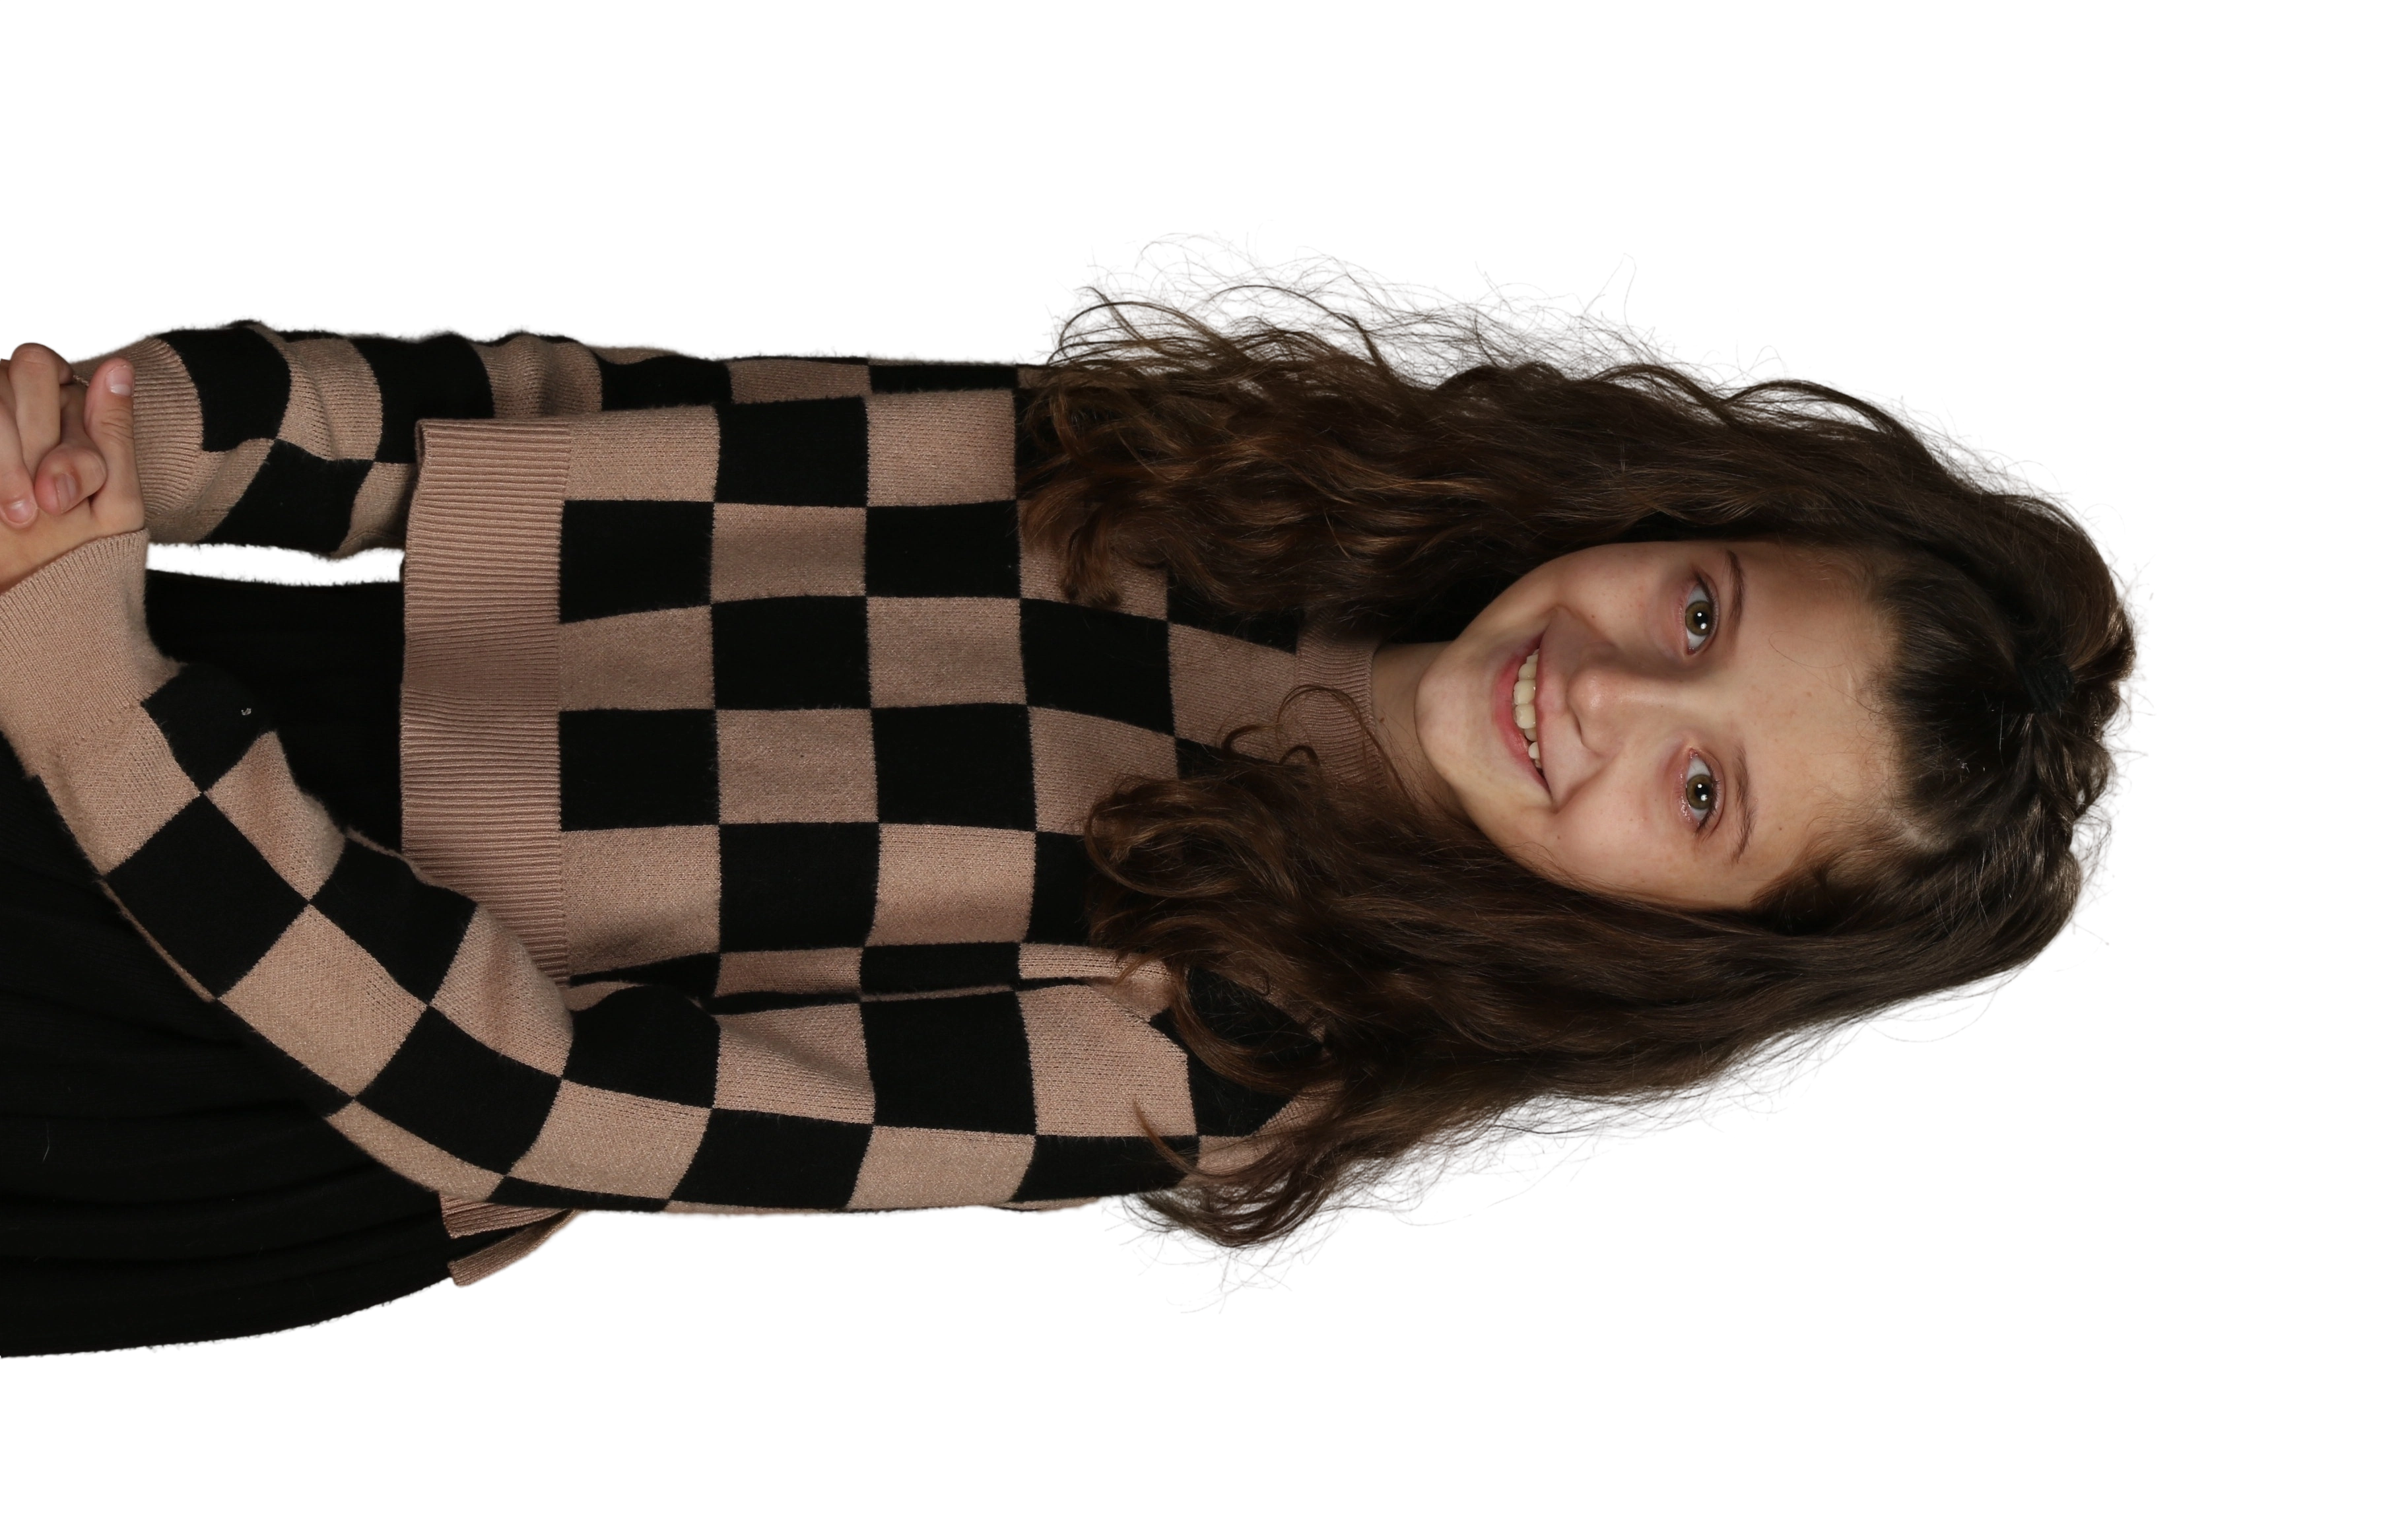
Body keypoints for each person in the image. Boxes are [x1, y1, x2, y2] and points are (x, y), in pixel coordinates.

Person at [0, 228, 2148, 1353]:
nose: (1601, 694)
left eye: (1699, 795)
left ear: (1694, 947)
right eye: (1699, 614)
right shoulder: (1229, 473)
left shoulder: (1227, 1050)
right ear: (1695, 514)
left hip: (224, 1056)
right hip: (203, 687)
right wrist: (160, 434)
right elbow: (580, 422)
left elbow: (529, 1099)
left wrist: (87, 677)